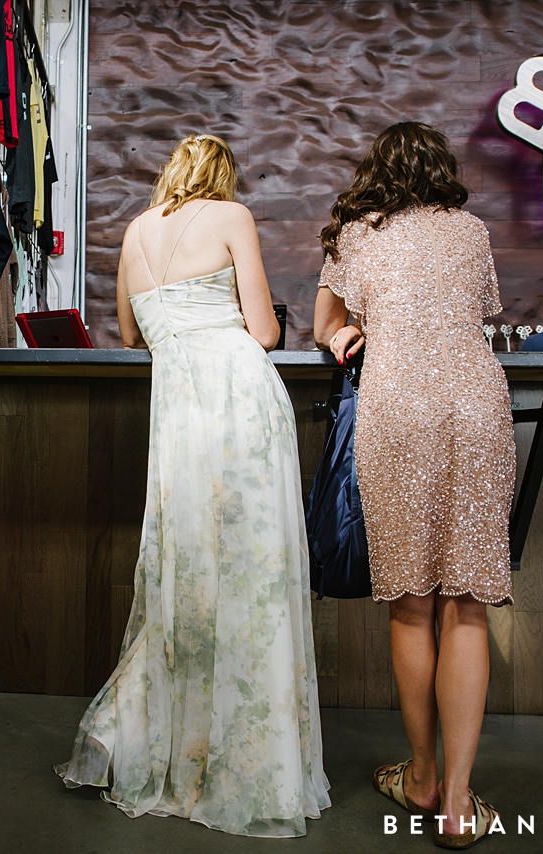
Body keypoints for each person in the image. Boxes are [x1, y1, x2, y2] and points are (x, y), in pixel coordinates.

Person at [55, 134, 331, 837]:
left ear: (172, 174)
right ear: (222, 176)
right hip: (242, 403)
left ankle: (168, 742)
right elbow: (264, 331)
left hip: (177, 414)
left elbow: (130, 332)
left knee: (186, 575)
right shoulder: (232, 217)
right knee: (253, 576)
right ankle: (246, 759)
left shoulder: (137, 232)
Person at [313, 122, 512, 849]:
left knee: (410, 605)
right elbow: (471, 314)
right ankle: (459, 803)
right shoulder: (471, 231)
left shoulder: (355, 233)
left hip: (398, 408)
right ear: (441, 172)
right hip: (478, 405)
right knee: (468, 601)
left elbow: (325, 325)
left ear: (377, 171)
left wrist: (343, 335)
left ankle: (422, 775)